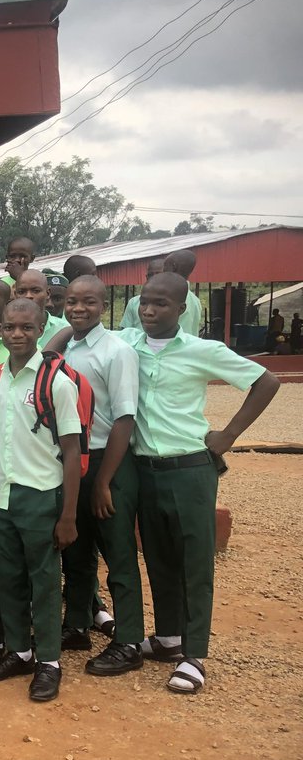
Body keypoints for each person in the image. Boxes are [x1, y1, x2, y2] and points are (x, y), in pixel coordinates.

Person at [115, 272, 279, 694]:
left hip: (190, 469)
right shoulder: (127, 345)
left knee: (195, 561)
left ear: (182, 310)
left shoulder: (204, 351)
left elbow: (266, 381)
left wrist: (228, 436)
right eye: (144, 303)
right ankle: (168, 637)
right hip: (144, 469)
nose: (150, 310)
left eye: (161, 304)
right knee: (158, 556)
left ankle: (195, 654)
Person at [0, 299, 80, 703]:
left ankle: (49, 662)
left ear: (40, 329)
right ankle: (18, 650)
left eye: (26, 328)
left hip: (40, 495)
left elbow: (72, 451)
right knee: (10, 578)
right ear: (0, 329)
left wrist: (68, 514)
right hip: (2, 496)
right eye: (9, 328)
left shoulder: (57, 382)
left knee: (45, 582)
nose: (16, 335)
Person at [51, 277, 144, 675]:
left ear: (103, 305)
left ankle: (129, 641)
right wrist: (60, 335)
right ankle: (77, 625)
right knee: (76, 549)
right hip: (74, 460)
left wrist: (104, 481)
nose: (78, 309)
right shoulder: (66, 347)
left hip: (109, 461)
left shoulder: (117, 351)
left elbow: (124, 419)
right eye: (71, 302)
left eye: (88, 302)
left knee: (117, 553)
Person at [13, 269, 70, 348]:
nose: (28, 296)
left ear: (47, 293)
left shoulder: (64, 329)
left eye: (36, 291)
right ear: (15, 295)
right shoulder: (7, 331)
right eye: (22, 292)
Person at [163, 250, 203, 336]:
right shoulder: (195, 300)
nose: (162, 270)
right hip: (190, 347)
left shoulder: (166, 295)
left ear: (173, 267)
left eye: (165, 266)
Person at [120, 259, 164, 331]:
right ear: (146, 277)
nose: (154, 278)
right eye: (151, 275)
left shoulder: (174, 301)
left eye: (159, 274)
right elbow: (125, 331)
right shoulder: (134, 302)